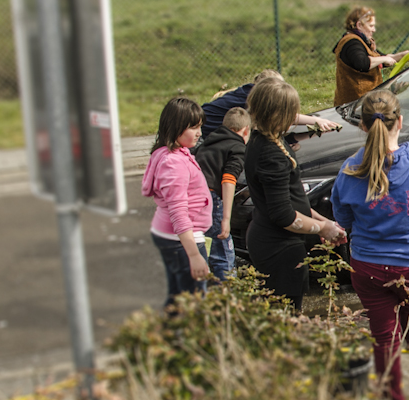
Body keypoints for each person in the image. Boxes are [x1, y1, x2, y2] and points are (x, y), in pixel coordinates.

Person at [330, 90, 409, 400]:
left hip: (367, 267)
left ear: (363, 127)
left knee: (384, 342)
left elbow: (345, 220)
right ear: (400, 121)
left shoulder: (349, 171)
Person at [244, 77, 346, 310]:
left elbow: (291, 199)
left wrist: (323, 220)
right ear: (276, 114)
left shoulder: (264, 139)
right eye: (291, 113)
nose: (294, 118)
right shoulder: (271, 155)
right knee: (286, 312)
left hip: (274, 239)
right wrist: (323, 228)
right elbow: (284, 215)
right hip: (279, 248)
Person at [141, 97, 212, 307]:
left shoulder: (171, 153)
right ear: (176, 127)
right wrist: (194, 255)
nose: (199, 133)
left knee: (177, 296)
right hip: (181, 239)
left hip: (173, 236)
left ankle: (171, 333)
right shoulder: (174, 163)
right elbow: (178, 211)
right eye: (193, 127)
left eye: (200, 126)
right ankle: (185, 337)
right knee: (193, 302)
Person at [193, 106, 250, 281]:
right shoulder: (237, 147)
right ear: (245, 131)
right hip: (212, 197)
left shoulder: (209, 141)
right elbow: (228, 179)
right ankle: (227, 289)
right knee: (223, 246)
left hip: (194, 196)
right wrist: (226, 217)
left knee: (203, 242)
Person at [202, 69, 337, 138]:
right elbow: (286, 115)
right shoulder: (251, 100)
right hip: (202, 131)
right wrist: (315, 121)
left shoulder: (252, 92)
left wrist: (315, 120)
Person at [333, 6, 409, 107]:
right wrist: (384, 59)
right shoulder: (351, 43)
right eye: (371, 26)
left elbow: (379, 58)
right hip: (354, 104)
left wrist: (400, 56)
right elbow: (362, 63)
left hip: (367, 101)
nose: (374, 30)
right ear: (359, 25)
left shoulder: (362, 41)